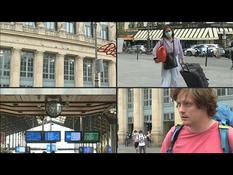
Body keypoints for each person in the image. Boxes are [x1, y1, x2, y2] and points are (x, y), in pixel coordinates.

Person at [161, 88, 233, 153]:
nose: (181, 110)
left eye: (188, 104)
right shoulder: (173, 134)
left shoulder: (228, 135)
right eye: (179, 104)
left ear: (205, 105)